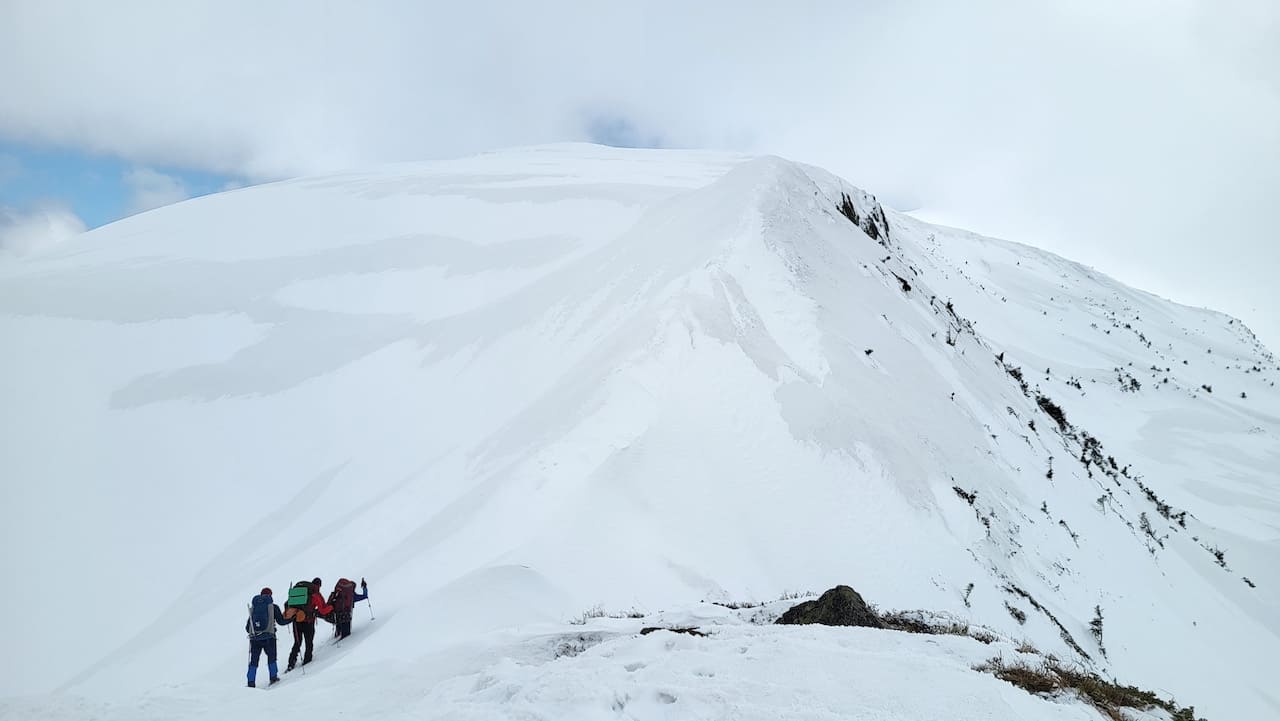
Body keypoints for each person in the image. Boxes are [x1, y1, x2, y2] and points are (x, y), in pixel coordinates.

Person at [286, 577, 333, 671]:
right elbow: (323, 610)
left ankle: (291, 663)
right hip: (308, 621)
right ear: (319, 585)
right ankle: (307, 660)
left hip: (297, 620)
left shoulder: (300, 593)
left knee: (297, 642)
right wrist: (331, 607)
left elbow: (288, 604)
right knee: (309, 642)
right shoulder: (315, 594)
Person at [245, 587, 288, 687]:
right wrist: (292, 619)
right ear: (270, 596)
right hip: (269, 637)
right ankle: (273, 677)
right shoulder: (273, 607)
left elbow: (248, 627)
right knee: (272, 657)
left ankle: (251, 682)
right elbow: (281, 622)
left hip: (255, 639)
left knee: (254, 661)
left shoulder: (254, 608)